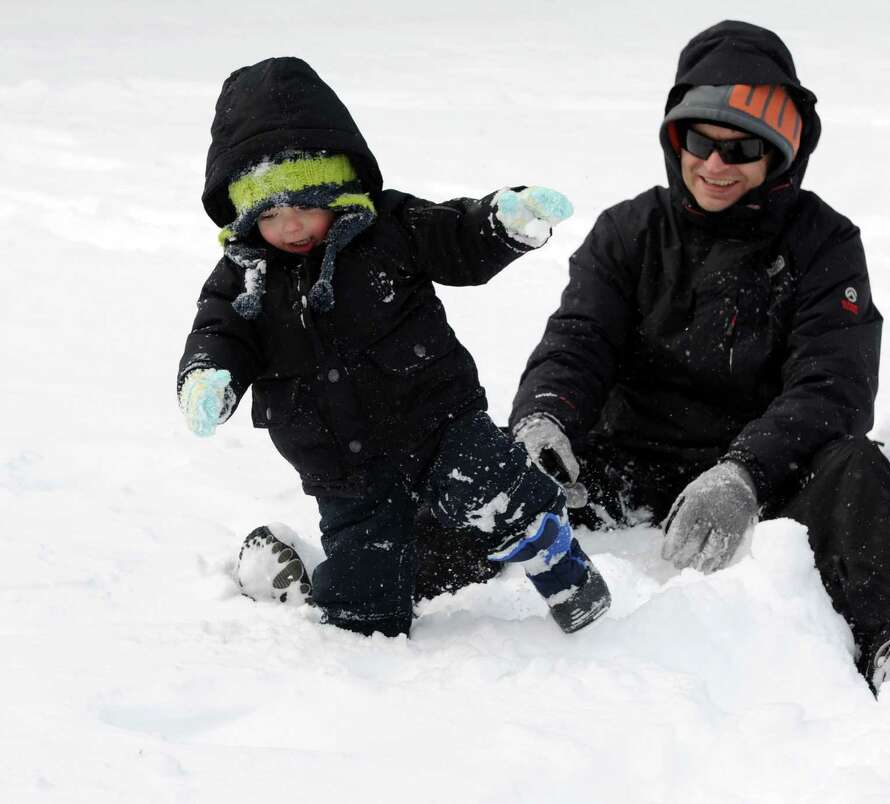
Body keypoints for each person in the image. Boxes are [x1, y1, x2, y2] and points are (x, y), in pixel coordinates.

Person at [509, 21, 890, 692]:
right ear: (675, 138)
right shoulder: (627, 232)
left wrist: (743, 472)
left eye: (741, 150)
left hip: (773, 473)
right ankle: (370, 584)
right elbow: (578, 342)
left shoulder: (824, 243)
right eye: (700, 142)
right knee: (488, 470)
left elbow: (834, 387)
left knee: (856, 467)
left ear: (778, 157)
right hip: (629, 461)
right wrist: (545, 418)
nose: (715, 165)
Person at [177, 57, 610, 638]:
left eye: (307, 205)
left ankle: (557, 559)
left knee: (491, 483)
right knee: (367, 612)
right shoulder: (244, 278)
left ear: (339, 187)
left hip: (436, 420)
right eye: (272, 216)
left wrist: (502, 224)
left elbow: (457, 238)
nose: (294, 227)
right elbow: (218, 333)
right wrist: (208, 377)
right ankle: (310, 583)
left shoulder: (389, 227)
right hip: (341, 466)